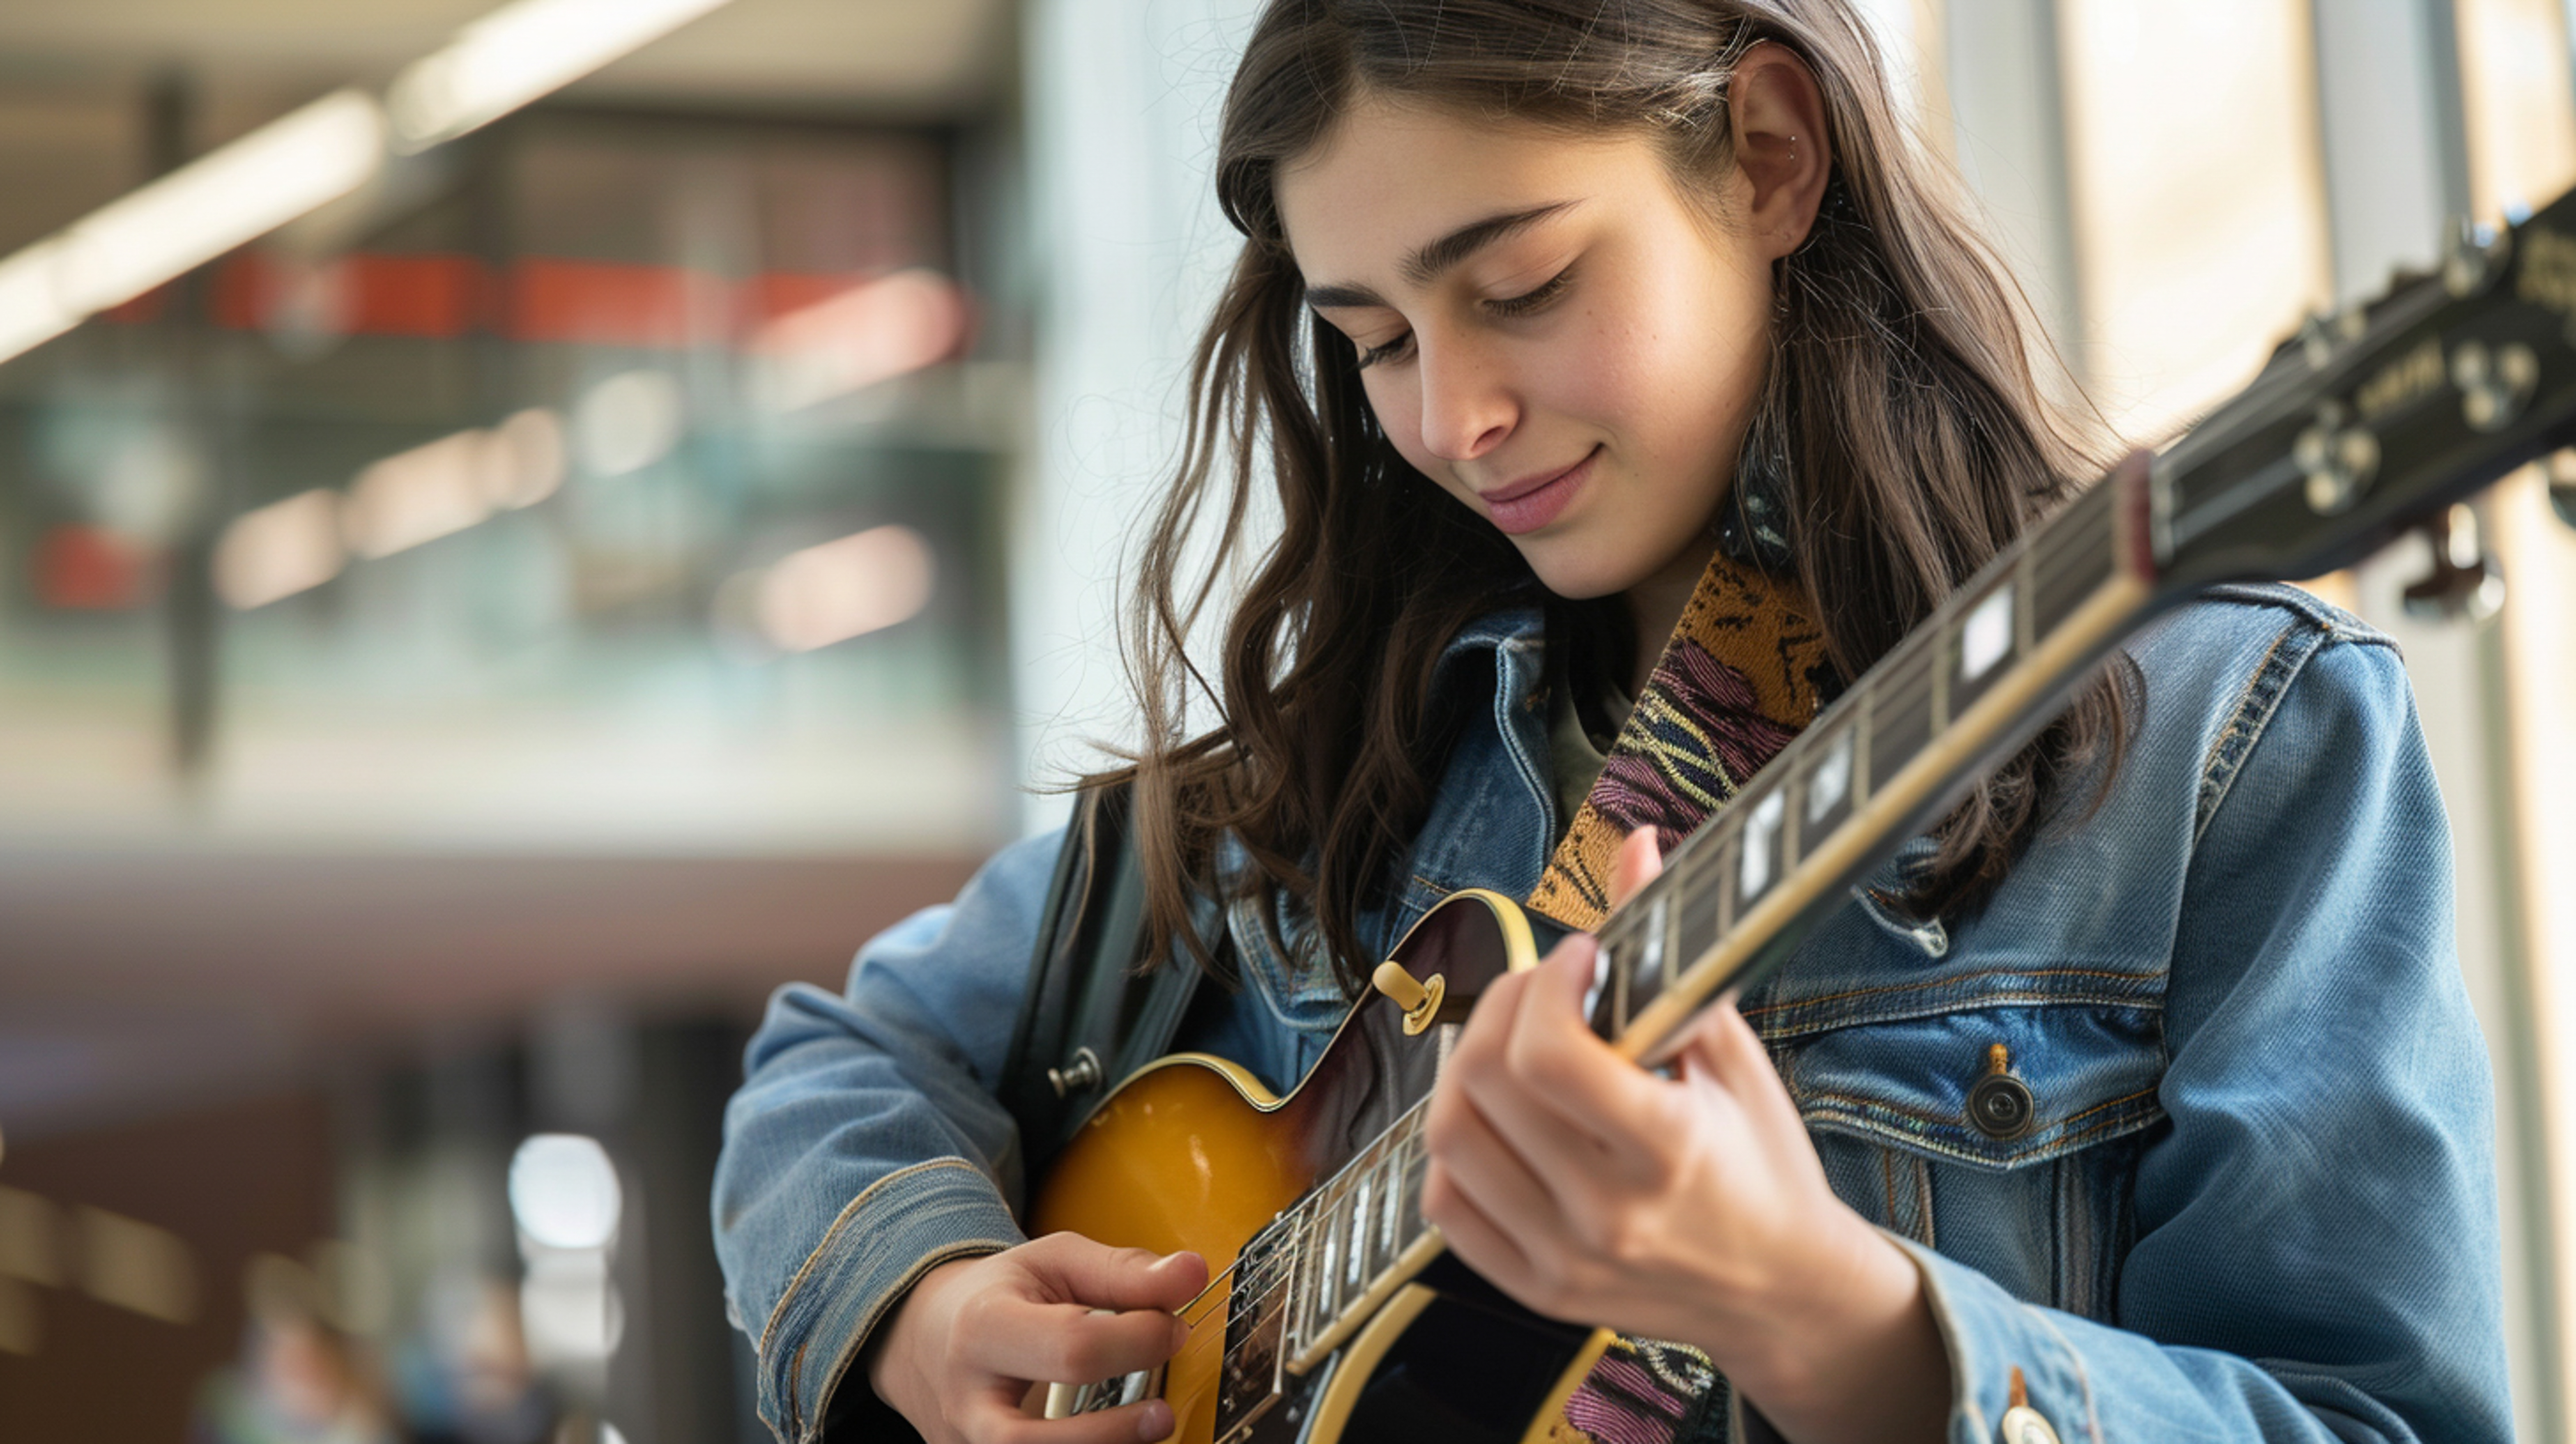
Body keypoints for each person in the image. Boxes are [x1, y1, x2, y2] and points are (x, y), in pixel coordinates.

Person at [712, 3, 2509, 1441]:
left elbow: (2378, 1414)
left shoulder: (2232, 740)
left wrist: (1833, 1315)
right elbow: (828, 1067)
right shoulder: (1329, 773)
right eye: (1376, 336)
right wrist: (929, 1305)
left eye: (1521, 288)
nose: (1455, 417)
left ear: (1772, 155)